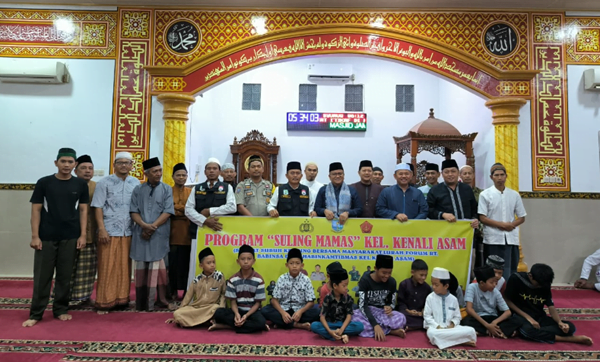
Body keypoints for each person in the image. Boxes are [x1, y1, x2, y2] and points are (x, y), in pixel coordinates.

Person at [23, 148, 89, 328]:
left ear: (74, 164)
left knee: (64, 276)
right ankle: (36, 313)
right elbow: (36, 210)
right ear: (56, 163)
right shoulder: (44, 183)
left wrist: (82, 235)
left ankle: (60, 309)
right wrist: (35, 236)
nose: (66, 165)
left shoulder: (80, 185)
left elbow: (83, 210)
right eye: (63, 162)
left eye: (70, 162)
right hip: (46, 237)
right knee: (42, 277)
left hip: (71, 236)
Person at [91, 151, 140, 314]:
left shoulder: (135, 183)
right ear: (114, 165)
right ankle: (104, 301)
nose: (124, 165)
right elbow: (97, 207)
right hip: (109, 231)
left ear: (132, 166)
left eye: (127, 163)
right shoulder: (104, 183)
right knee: (107, 266)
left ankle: (121, 299)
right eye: (120, 163)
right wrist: (102, 229)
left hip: (128, 231)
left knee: (124, 266)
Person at [505, 263, 593, 345]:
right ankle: (568, 339)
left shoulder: (544, 284)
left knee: (570, 327)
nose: (540, 287)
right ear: (530, 276)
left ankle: (531, 332)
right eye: (538, 285)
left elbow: (551, 306)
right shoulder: (516, 278)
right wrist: (528, 318)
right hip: (520, 317)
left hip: (539, 317)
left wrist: (560, 322)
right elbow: (507, 300)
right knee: (527, 331)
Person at [130, 157, 175, 312]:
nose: (159, 174)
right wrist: (144, 226)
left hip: (158, 235)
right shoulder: (138, 189)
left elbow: (168, 211)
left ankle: (160, 300)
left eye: (160, 170)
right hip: (141, 234)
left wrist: (152, 227)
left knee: (160, 271)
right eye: (155, 171)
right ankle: (141, 303)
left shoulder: (167, 189)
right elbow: (133, 211)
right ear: (146, 173)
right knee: (141, 269)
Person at [478, 163, 526, 277]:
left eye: (502, 175)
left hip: (511, 238)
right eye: (496, 175)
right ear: (491, 177)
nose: (499, 178)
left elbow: (522, 217)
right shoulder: (485, 194)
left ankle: (509, 292)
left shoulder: (514, 195)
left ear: (506, 176)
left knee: (511, 269)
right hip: (493, 238)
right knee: (493, 270)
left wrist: (511, 225)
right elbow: (482, 218)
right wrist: (501, 225)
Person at [211, 245, 269, 333]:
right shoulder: (233, 279)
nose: (246, 262)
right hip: (237, 310)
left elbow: (258, 303)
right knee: (218, 313)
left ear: (253, 261)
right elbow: (233, 302)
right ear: (238, 261)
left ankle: (227, 326)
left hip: (252, 312)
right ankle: (249, 326)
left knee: (261, 321)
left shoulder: (259, 280)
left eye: (249, 259)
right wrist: (237, 314)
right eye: (243, 259)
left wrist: (246, 316)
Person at [166, 247, 225, 327]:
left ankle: (195, 322)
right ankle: (205, 321)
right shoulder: (196, 280)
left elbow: (223, 294)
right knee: (177, 314)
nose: (212, 265)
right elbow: (187, 298)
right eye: (209, 263)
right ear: (201, 265)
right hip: (197, 308)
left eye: (213, 262)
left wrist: (221, 308)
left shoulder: (219, 277)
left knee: (217, 309)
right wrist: (177, 313)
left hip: (211, 308)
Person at [262, 248, 320, 330]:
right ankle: (298, 325)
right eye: (291, 263)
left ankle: (282, 324)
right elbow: (274, 300)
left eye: (297, 263)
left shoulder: (306, 279)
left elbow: (311, 302)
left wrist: (300, 312)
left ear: (302, 265)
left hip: (300, 312)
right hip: (284, 310)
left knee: (318, 312)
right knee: (265, 310)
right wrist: (283, 313)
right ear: (287, 265)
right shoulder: (282, 278)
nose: (294, 266)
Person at [352, 255, 406, 341]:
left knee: (401, 318)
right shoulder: (365, 280)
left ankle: (381, 330)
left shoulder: (392, 282)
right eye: (384, 273)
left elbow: (391, 302)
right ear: (376, 268)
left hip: (382, 313)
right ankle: (390, 331)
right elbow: (362, 305)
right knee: (353, 319)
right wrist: (375, 325)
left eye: (389, 273)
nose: (387, 276)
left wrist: (389, 307)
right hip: (366, 312)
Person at [424, 267, 477, 349]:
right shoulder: (430, 298)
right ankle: (462, 341)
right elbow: (427, 316)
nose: (433, 287)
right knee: (432, 334)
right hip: (436, 328)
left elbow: (457, 316)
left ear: (446, 286)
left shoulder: (453, 299)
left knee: (471, 331)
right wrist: (437, 326)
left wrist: (452, 324)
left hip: (451, 329)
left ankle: (448, 341)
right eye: (432, 284)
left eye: (436, 285)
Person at [462, 266, 521, 338]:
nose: (494, 285)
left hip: (493, 318)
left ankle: (485, 331)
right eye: (491, 282)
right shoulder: (472, 287)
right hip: (479, 318)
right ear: (482, 283)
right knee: (465, 322)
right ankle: (498, 332)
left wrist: (494, 323)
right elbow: (469, 309)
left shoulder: (495, 291)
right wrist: (488, 325)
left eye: (495, 282)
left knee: (517, 320)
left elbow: (507, 312)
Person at [69, 154, 97, 305]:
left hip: (91, 233)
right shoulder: (69, 184)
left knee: (87, 267)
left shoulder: (97, 187)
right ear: (75, 170)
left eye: (90, 168)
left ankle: (83, 297)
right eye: (83, 168)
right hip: (71, 233)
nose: (87, 171)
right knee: (69, 267)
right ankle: (65, 296)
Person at [186, 158, 236, 238]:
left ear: (219, 172)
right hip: (199, 230)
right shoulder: (197, 188)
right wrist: (204, 221)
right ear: (205, 172)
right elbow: (188, 209)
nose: (211, 171)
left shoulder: (227, 187)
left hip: (220, 231)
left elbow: (232, 207)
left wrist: (210, 211)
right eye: (209, 169)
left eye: (214, 168)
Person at [311, 268, 365, 343]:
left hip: (343, 325)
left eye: (347, 285)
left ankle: (332, 336)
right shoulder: (328, 298)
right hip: (330, 324)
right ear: (335, 286)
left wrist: (342, 329)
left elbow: (349, 316)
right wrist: (329, 331)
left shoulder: (348, 298)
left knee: (360, 326)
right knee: (314, 326)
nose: (346, 288)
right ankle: (342, 335)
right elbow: (322, 317)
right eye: (344, 286)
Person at [427, 159, 479, 231]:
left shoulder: (466, 189)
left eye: (453, 171)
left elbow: (474, 209)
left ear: (458, 173)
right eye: (447, 172)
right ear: (442, 174)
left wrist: (475, 219)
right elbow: (428, 210)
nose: (450, 174)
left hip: (465, 231)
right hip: (445, 232)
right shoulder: (435, 190)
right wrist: (442, 214)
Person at [168, 163, 192, 302]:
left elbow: (191, 209)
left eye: (184, 175)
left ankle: (186, 293)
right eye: (178, 175)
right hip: (172, 234)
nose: (181, 177)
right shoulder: (167, 191)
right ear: (173, 177)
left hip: (188, 234)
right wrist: (184, 210)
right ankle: (172, 293)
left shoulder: (191, 192)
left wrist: (178, 209)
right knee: (173, 266)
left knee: (186, 265)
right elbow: (168, 208)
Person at [397, 259, 431, 330]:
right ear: (412, 272)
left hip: (419, 315)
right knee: (399, 316)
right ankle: (416, 326)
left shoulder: (427, 287)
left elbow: (427, 304)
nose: (424, 278)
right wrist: (408, 311)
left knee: (429, 318)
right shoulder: (404, 284)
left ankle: (408, 327)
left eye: (425, 275)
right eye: (421, 275)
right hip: (406, 313)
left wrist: (422, 312)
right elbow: (401, 303)